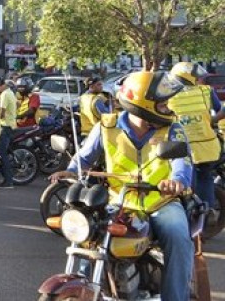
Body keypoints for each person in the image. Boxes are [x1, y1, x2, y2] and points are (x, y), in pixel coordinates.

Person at [51, 71, 194, 301]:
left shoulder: (173, 129)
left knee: (178, 237)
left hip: (161, 202)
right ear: (143, 104)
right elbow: (84, 158)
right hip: (119, 202)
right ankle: (86, 286)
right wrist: (70, 170)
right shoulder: (106, 126)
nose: (168, 108)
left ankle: (176, 297)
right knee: (90, 237)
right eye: (162, 104)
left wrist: (177, 181)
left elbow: (183, 163)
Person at [168, 62, 224, 210]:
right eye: (197, 77)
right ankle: (208, 212)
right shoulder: (206, 91)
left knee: (183, 182)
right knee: (205, 178)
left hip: (179, 148)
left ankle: (186, 214)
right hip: (207, 147)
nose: (200, 80)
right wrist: (211, 121)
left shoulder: (168, 95)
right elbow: (220, 111)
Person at [0, 76, 17, 189]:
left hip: (5, 126)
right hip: (10, 125)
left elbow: (1, 114)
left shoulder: (4, 95)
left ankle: (8, 181)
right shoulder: (10, 92)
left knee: (2, 154)